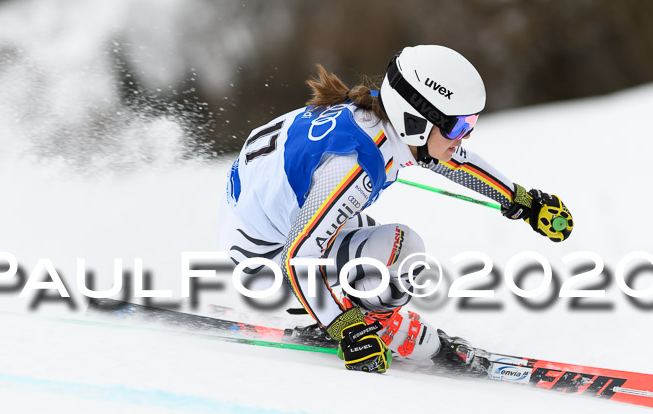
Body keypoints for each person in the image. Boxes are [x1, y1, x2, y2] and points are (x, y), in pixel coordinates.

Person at [217, 45, 573, 374]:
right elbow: (297, 259)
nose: (464, 137)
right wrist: (347, 330)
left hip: (266, 221)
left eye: (471, 124)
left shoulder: (381, 117)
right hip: (263, 259)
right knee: (401, 248)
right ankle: (375, 327)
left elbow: (452, 160)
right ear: (415, 120)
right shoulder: (353, 164)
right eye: (458, 126)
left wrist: (522, 202)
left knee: (374, 247)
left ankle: (354, 314)